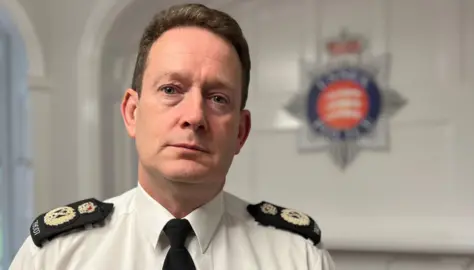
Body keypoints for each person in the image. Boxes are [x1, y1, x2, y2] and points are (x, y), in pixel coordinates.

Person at [9, 3, 335, 270]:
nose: (194, 116)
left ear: (240, 131)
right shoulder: (56, 257)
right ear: (132, 113)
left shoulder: (299, 259)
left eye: (218, 98)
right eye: (170, 90)